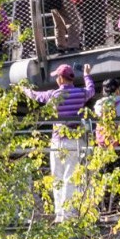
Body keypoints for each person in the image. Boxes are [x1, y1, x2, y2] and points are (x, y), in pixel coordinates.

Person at [21, 62, 95, 221]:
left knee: (57, 179)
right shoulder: (81, 94)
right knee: (70, 177)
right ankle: (69, 213)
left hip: (57, 142)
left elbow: (35, 96)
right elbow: (91, 90)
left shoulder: (53, 95)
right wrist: (87, 74)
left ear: (61, 79)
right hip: (74, 141)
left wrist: (23, 90)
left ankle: (61, 214)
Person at [93, 78, 120, 214]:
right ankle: (118, 210)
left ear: (103, 90)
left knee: (105, 177)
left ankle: (103, 209)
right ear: (118, 89)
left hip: (104, 146)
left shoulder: (98, 104)